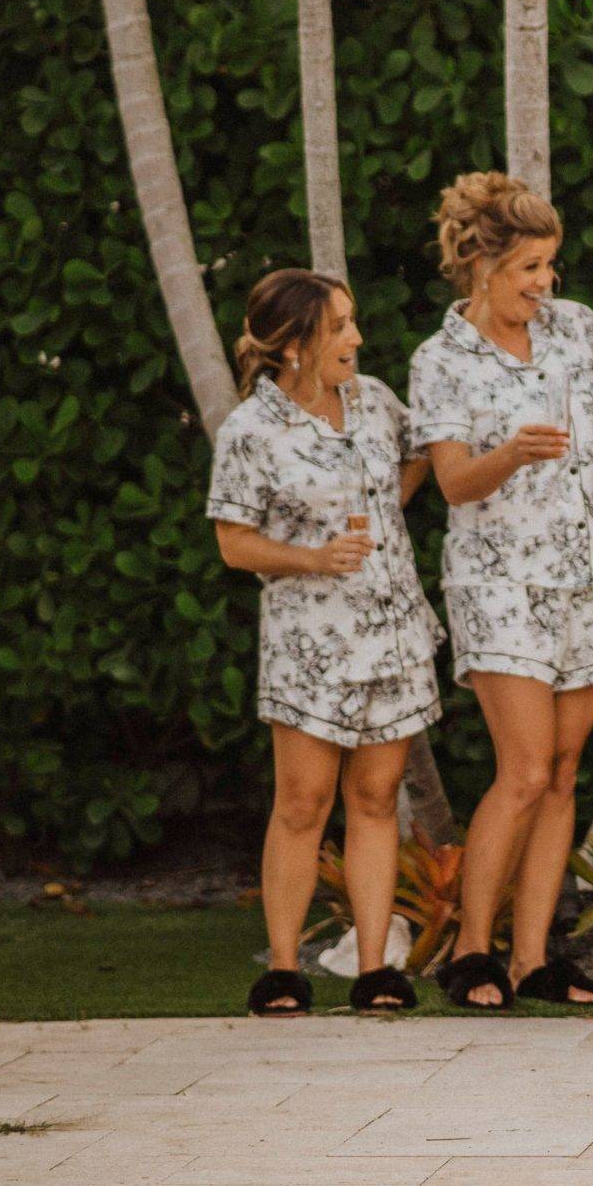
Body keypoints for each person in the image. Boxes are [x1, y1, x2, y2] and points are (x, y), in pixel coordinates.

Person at [410, 172, 593, 1011]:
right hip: (499, 582)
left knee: (566, 770)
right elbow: (456, 481)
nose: (544, 284)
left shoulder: (575, 331)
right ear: (479, 262)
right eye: (530, 268)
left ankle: (536, 958)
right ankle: (471, 952)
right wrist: (512, 452)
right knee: (526, 767)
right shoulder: (441, 360)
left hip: (588, 573)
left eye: (550, 266)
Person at [209, 271, 441, 1018]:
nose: (356, 339)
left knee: (375, 800)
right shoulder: (250, 431)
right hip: (310, 642)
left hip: (393, 631)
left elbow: (422, 454)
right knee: (303, 805)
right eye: (340, 327)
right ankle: (284, 970)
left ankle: (376, 970)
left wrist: (383, 511)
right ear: (296, 344)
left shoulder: (373, 402)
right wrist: (316, 557)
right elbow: (233, 544)